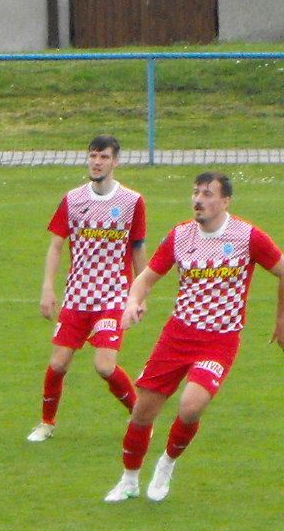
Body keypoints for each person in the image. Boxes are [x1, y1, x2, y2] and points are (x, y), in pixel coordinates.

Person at [106, 170, 284, 504]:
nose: (198, 200)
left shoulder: (247, 237)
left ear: (225, 201)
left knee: (190, 407)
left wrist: (281, 318)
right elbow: (145, 279)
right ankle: (128, 480)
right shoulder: (181, 236)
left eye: (207, 194)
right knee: (142, 412)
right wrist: (132, 303)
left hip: (219, 340)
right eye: (196, 192)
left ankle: (167, 464)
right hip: (178, 335)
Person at [31, 136, 145, 442]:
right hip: (77, 296)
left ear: (115, 161)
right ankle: (46, 423)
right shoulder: (73, 199)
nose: (97, 162)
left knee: (104, 366)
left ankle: (140, 417)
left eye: (104, 157)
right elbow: (56, 246)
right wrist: (48, 287)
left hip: (113, 296)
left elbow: (137, 248)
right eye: (93, 156)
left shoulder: (132, 202)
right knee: (58, 363)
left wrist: (139, 296)